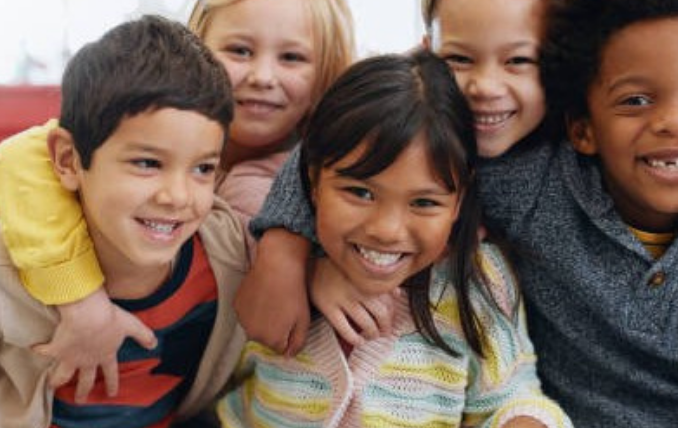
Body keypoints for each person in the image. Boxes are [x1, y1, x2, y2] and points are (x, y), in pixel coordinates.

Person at [251, 0, 678, 426]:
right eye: (458, 60)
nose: (484, 86)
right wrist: (289, 251)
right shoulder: (521, 182)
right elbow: (353, 141)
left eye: (518, 61)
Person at [0, 0, 356, 399]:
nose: (262, 76)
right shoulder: (142, 122)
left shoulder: (321, 171)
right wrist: (79, 299)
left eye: (293, 57)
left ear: (327, 72)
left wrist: (310, 266)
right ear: (198, 48)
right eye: (239, 50)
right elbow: (21, 158)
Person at [0, 16, 250, 428]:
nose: (177, 196)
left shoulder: (226, 254)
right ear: (68, 160)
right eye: (147, 163)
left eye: (202, 169)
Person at [217, 50, 572, 428]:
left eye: (424, 202)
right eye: (360, 192)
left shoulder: (477, 280)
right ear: (313, 180)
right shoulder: (274, 266)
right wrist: (297, 269)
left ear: (459, 201)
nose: (387, 230)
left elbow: (512, 396)